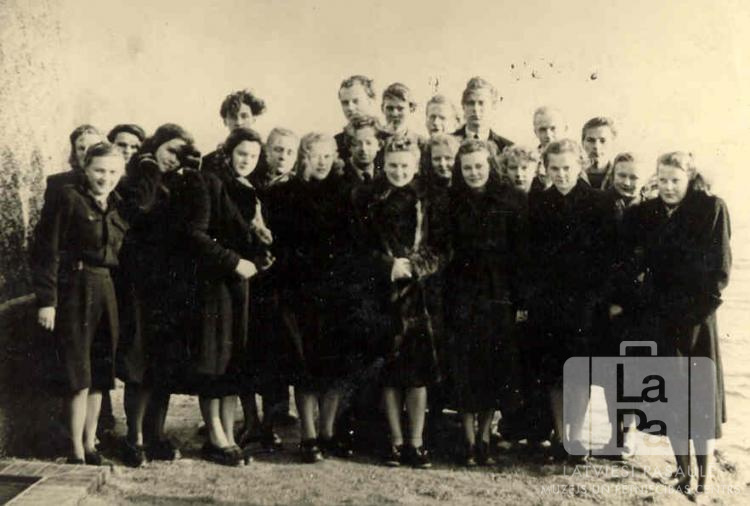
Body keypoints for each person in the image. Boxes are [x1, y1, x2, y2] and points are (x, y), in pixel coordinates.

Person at [117, 123, 262, 467]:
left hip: (170, 285)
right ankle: (134, 439)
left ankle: (154, 435)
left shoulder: (184, 182)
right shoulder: (138, 178)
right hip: (140, 282)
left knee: (162, 362)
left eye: (180, 153)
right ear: (154, 147)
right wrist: (150, 167)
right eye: (170, 150)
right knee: (140, 362)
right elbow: (142, 208)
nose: (174, 159)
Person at [619, 152, 730, 497]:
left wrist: (697, 314)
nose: (668, 187)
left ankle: (703, 481)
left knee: (701, 402)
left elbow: (720, 272)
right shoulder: (648, 212)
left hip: (697, 320)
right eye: (662, 180)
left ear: (689, 179)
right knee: (672, 400)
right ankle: (683, 473)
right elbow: (629, 256)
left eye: (675, 181)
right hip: (661, 318)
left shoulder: (710, 208)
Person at [355, 135, 449, 469]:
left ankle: (416, 442)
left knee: (418, 373)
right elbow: (359, 246)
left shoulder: (431, 199)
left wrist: (417, 266)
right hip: (383, 294)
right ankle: (395, 440)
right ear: (384, 164)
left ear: (416, 164)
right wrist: (387, 266)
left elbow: (443, 245)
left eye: (405, 166)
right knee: (390, 373)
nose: (398, 171)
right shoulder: (369, 199)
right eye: (393, 165)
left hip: (420, 296)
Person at [31, 141, 127, 465]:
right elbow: (46, 251)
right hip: (75, 288)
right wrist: (47, 300)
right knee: (78, 373)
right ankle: (74, 450)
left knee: (100, 373)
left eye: (113, 172)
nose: (105, 178)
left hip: (105, 288)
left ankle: (90, 444)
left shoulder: (117, 204)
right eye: (99, 170)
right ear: (85, 168)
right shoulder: (68, 198)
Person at [528, 139, 613, 462]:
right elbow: (529, 254)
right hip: (548, 302)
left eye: (567, 168)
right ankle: (562, 436)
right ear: (546, 169)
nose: (561, 174)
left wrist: (598, 298)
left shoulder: (600, 203)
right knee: (553, 371)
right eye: (555, 168)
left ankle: (574, 435)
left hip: (585, 303)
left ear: (579, 166)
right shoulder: (539, 202)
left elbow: (610, 257)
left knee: (579, 372)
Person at [275, 133, 358, 463]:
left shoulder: (346, 192)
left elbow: (355, 242)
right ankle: (308, 436)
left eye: (327, 156)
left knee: (335, 366)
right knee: (305, 365)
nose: (321, 162)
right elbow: (281, 242)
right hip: (301, 289)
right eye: (315, 155)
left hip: (336, 290)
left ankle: (328, 432)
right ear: (304, 157)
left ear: (335, 157)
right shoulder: (287, 193)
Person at [445, 139, 526, 466]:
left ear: (490, 166)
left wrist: (518, 298)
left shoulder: (511, 200)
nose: (474, 172)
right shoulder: (450, 201)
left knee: (494, 365)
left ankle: (484, 437)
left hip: (498, 293)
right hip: (462, 293)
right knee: (464, 366)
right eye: (467, 167)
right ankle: (467, 440)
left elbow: (520, 254)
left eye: (479, 166)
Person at [202, 89, 267, 173]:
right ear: (225, 121)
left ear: (253, 119)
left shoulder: (266, 158)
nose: (238, 122)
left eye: (244, 116)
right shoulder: (209, 162)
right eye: (233, 116)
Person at [43, 125, 103, 209]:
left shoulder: (112, 180)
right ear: (74, 152)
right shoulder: (58, 183)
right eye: (81, 148)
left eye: (92, 147)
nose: (86, 153)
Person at [453, 77, 513, 155]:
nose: (475, 109)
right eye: (471, 103)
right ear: (463, 106)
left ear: (493, 106)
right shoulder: (449, 143)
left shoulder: (506, 148)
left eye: (481, 103)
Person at [335, 75, 378, 163]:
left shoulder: (386, 139)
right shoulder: (336, 143)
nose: (350, 108)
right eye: (345, 103)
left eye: (355, 101)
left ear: (371, 101)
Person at [531, 107, 566, 192]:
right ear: (535, 132)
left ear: (564, 128)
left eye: (553, 128)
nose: (548, 135)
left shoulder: (575, 158)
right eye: (542, 130)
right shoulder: (530, 160)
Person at [581, 116, 617, 189]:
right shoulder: (572, 176)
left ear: (613, 143)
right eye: (590, 140)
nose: (596, 146)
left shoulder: (620, 176)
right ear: (582, 143)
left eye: (603, 141)